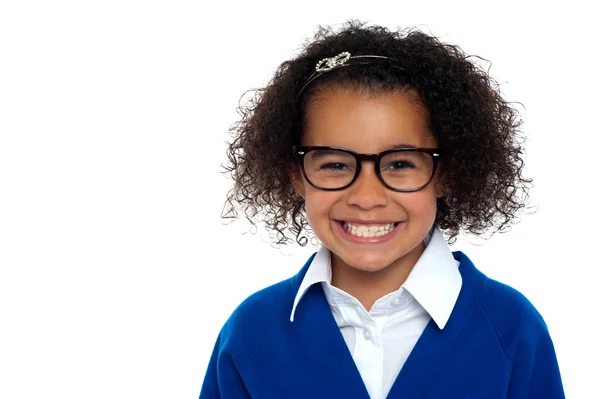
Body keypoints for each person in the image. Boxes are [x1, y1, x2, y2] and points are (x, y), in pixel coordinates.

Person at [199, 20, 565, 399]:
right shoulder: (252, 334)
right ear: (296, 173)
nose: (367, 197)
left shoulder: (511, 329)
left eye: (401, 164)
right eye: (336, 164)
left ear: (445, 173)